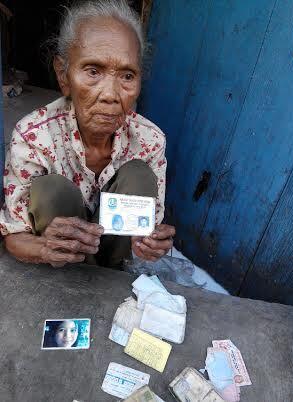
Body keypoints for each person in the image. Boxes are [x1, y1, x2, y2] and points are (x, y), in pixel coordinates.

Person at [0, 0, 175, 269]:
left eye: (127, 76)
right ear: (63, 75)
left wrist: (151, 242)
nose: (110, 95)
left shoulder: (150, 140)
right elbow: (14, 236)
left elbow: (148, 228)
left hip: (114, 259)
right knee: (51, 190)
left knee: (139, 176)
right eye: (93, 71)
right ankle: (72, 273)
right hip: (60, 263)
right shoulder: (33, 137)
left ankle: (109, 274)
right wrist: (44, 248)